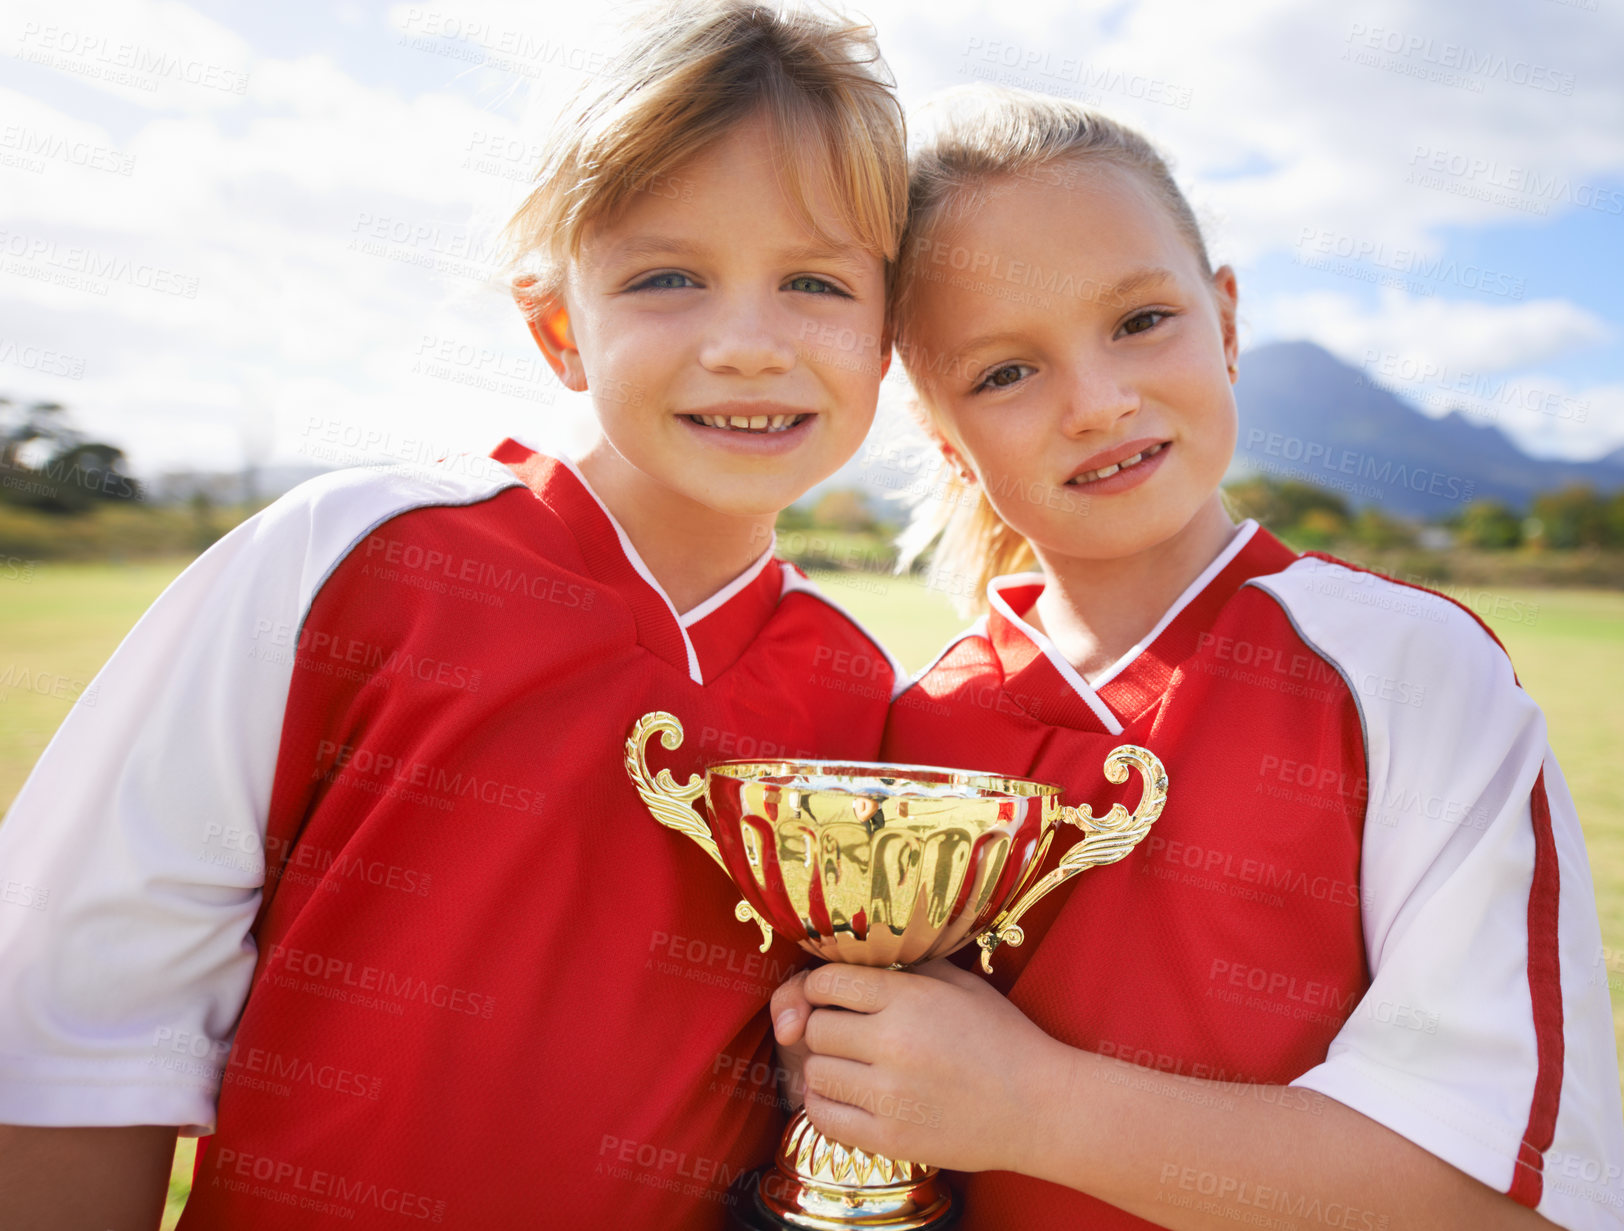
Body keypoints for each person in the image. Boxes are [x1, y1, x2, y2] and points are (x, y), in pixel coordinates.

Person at [0, 4, 908, 1227]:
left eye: (814, 281)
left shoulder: (862, 692)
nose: (746, 343)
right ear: (556, 329)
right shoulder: (357, 559)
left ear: (888, 333)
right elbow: (80, 1023)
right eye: (665, 277)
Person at [770, 84, 1624, 1231]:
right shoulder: (910, 739)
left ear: (1224, 321)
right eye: (1004, 373)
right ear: (945, 437)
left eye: (1138, 321)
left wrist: (1035, 1108)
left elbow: (1503, 1201)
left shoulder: (1406, 669)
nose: (1098, 401)